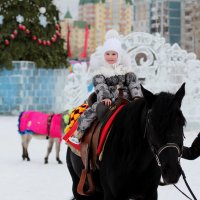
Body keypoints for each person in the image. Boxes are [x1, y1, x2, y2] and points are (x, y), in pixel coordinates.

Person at [73, 29, 142, 142]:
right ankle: (80, 131)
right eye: (108, 54)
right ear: (103, 55)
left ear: (119, 55)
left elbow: (133, 84)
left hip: (126, 99)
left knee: (142, 111)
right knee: (94, 110)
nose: (110, 57)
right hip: (109, 100)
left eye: (114, 54)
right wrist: (105, 97)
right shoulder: (100, 71)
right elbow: (100, 85)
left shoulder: (126, 70)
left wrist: (137, 97)